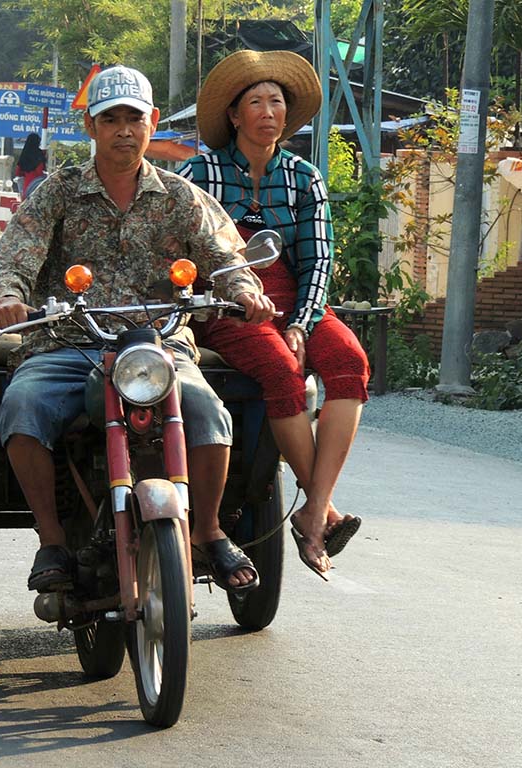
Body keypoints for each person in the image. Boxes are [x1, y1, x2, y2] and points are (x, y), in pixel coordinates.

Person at [0, 64, 276, 594]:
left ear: (153, 123)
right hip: (69, 343)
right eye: (110, 118)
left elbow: (224, 256)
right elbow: (13, 258)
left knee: (210, 412)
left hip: (158, 346)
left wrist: (244, 291)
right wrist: (8, 298)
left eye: (134, 118)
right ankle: (50, 540)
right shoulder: (58, 193)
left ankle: (208, 530)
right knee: (21, 405)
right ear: (91, 128)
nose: (124, 129)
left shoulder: (181, 198)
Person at [178, 50, 369, 579]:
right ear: (235, 116)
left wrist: (302, 323)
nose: (268, 111)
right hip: (226, 302)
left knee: (350, 363)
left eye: (277, 102)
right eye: (256, 102)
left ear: (288, 115)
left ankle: (314, 507)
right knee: (282, 371)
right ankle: (320, 512)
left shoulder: (304, 177)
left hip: (293, 299)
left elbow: (319, 259)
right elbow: (187, 256)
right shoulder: (199, 172)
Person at [16, 132, 47, 200]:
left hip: (26, 188)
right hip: (36, 188)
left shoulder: (24, 154)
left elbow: (18, 172)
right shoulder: (39, 155)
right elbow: (39, 172)